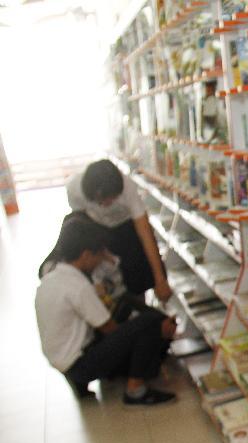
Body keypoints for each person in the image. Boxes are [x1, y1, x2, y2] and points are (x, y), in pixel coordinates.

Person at [35, 219, 176, 405]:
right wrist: (155, 330)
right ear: (85, 255)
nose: (102, 258)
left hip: (61, 359)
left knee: (137, 321)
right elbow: (110, 329)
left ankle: (93, 380)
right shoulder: (78, 286)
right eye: (99, 254)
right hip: (80, 362)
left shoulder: (53, 277)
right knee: (150, 321)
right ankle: (136, 390)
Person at [66, 159, 172, 302]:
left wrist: (160, 280)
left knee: (137, 277)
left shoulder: (128, 188)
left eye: (112, 199)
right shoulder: (74, 189)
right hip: (97, 226)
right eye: (103, 201)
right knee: (103, 275)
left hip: (127, 226)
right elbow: (79, 222)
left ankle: (138, 305)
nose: (107, 204)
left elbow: (145, 233)